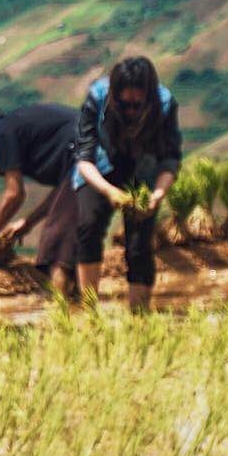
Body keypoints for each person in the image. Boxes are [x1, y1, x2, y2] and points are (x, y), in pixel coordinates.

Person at [72, 56, 182, 311]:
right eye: (125, 104)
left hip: (143, 171)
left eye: (137, 104)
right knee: (88, 226)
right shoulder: (97, 98)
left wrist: (156, 195)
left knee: (139, 243)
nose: (131, 110)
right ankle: (89, 310)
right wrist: (109, 191)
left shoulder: (165, 104)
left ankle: (139, 315)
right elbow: (83, 158)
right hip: (100, 170)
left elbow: (170, 159)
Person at [0, 101, 80, 298]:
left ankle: (60, 310)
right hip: (91, 156)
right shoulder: (15, 127)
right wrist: (27, 222)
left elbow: (15, 194)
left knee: (55, 244)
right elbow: (63, 191)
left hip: (86, 156)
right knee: (68, 240)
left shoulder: (4, 134)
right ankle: (75, 302)